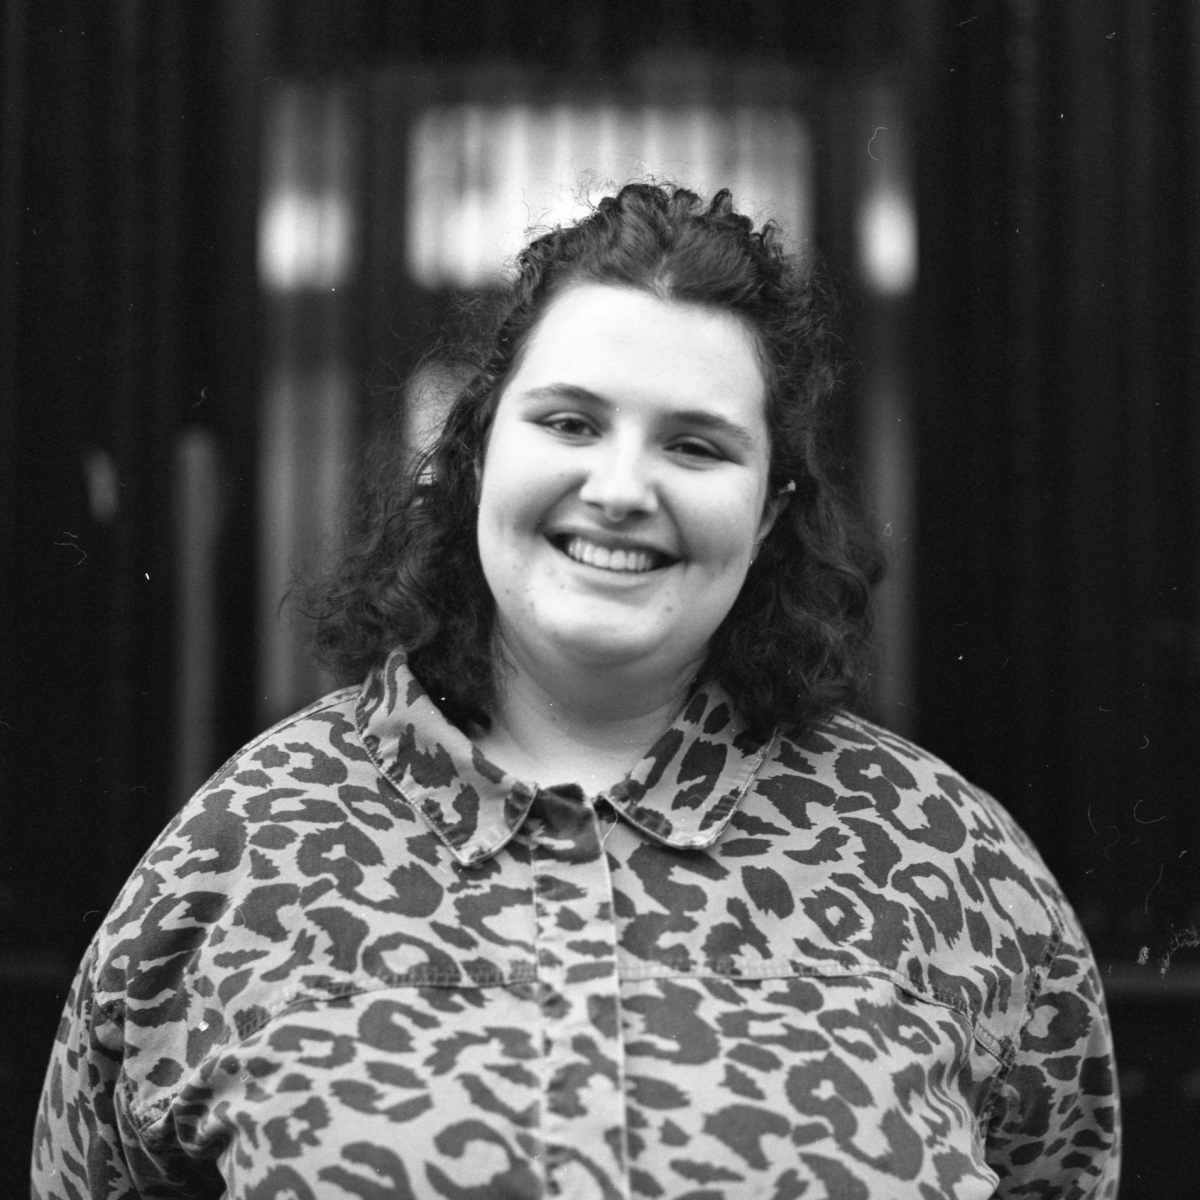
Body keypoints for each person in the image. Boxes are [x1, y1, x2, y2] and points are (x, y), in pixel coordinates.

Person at [32, 184, 1119, 1199]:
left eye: (695, 445)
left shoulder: (955, 869)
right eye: (570, 423)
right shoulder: (238, 852)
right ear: (474, 454)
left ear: (770, 512)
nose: (621, 488)